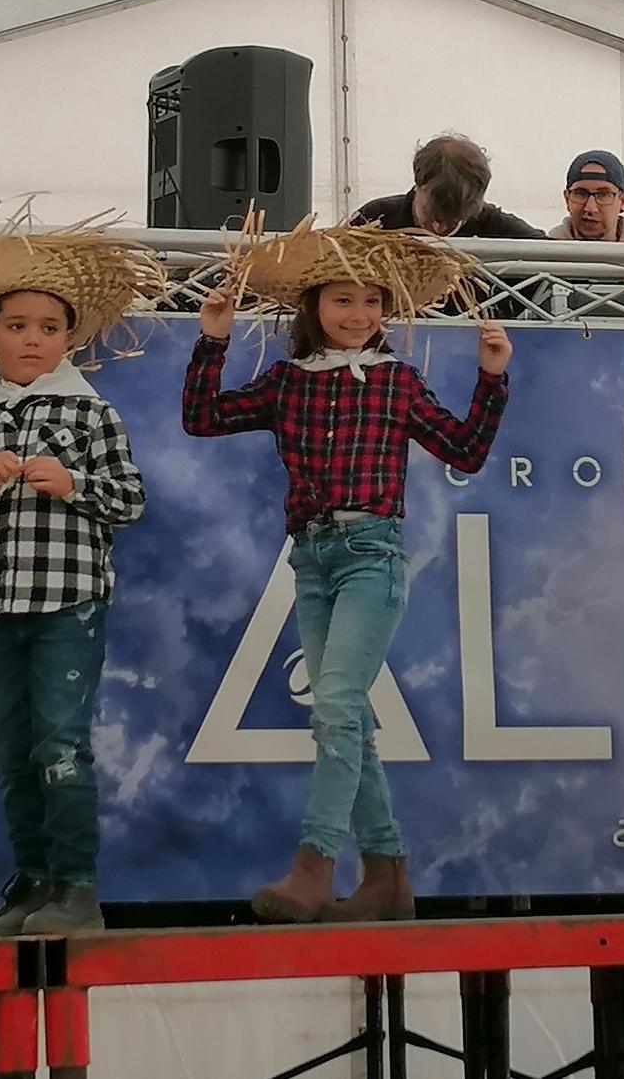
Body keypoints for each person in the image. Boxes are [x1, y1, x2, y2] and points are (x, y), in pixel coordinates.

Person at [182, 219, 513, 923]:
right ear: (313, 308)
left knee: (334, 705)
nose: (358, 315)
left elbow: (465, 450)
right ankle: (388, 877)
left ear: (386, 314)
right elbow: (203, 418)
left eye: (371, 302)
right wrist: (212, 337)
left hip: (372, 556)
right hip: (313, 559)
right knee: (349, 719)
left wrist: (491, 379)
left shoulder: (396, 380)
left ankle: (315, 866)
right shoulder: (286, 382)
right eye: (343, 300)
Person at [0, 219, 168, 935]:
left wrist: (73, 483)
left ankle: (77, 889)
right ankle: (30, 884)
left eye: (49, 327)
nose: (33, 338)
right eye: (18, 324)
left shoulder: (91, 409)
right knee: (10, 747)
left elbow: (132, 500)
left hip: (69, 602)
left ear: (69, 339)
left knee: (60, 741)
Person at [353, 134, 545, 239]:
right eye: (432, 214)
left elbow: (559, 255)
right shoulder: (374, 220)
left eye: (456, 219)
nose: (440, 228)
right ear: (418, 182)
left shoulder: (498, 228)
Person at [550, 150, 624, 243]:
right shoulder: (541, 254)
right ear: (567, 199)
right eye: (580, 194)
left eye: (603, 194)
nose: (590, 208)